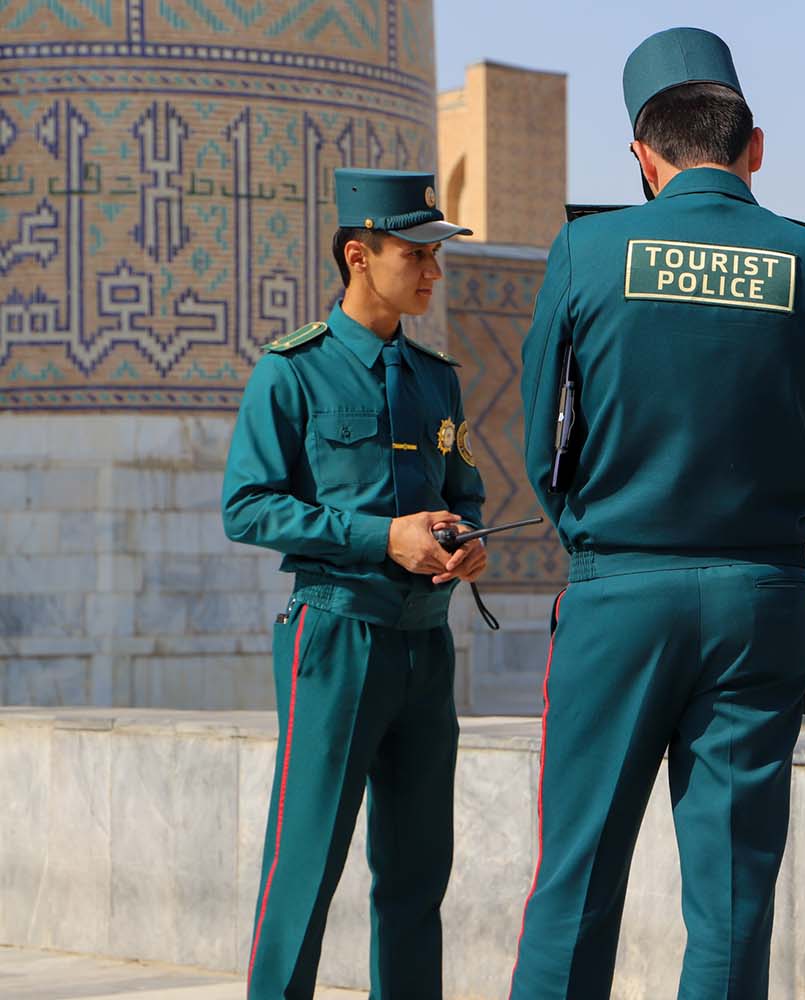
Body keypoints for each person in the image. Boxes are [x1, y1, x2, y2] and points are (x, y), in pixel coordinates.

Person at [510, 26, 805, 1000]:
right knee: (735, 899)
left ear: (641, 155)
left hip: (619, 590)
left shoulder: (587, 250)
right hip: (762, 599)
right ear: (754, 147)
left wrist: (596, 536)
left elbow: (542, 443)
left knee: (575, 880)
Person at [221, 168, 488, 1000]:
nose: (432, 272)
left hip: (425, 644)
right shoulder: (292, 372)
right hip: (334, 638)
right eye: (416, 254)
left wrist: (461, 540)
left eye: (434, 255)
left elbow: (463, 490)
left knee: (416, 877)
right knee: (304, 864)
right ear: (357, 254)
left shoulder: (437, 377)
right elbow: (248, 507)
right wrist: (383, 538)